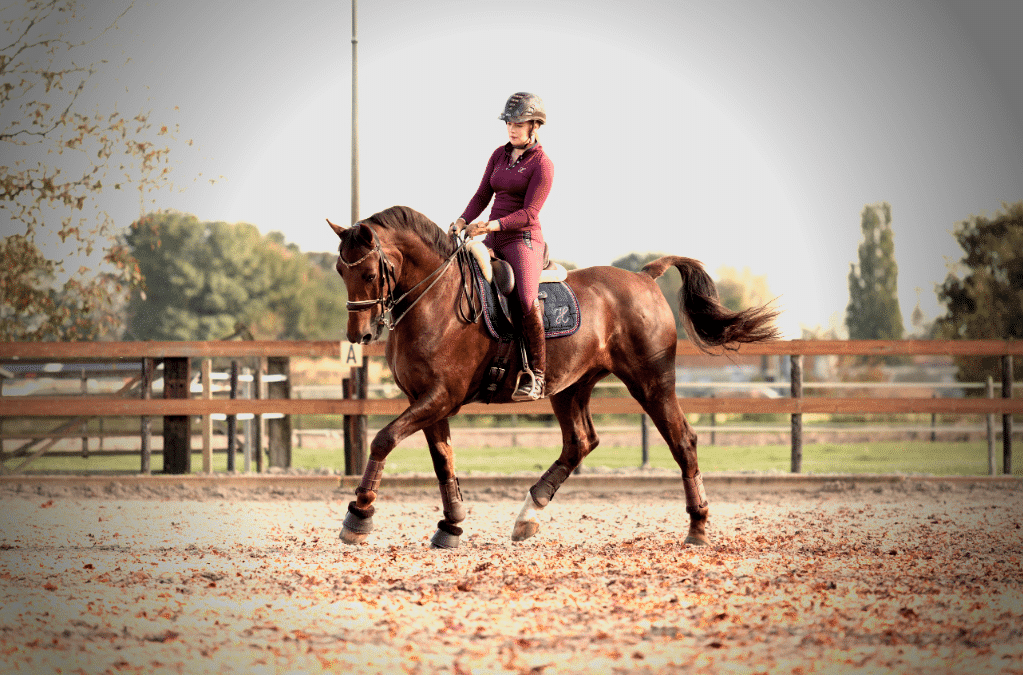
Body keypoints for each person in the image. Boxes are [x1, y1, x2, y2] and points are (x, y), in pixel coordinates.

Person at [451, 92, 554, 401]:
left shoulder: (543, 165)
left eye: (519, 123)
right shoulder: (499, 154)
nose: (512, 128)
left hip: (522, 240)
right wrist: (462, 219)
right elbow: (482, 195)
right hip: (491, 238)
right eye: (509, 122)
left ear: (534, 125)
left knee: (524, 298)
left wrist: (492, 225)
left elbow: (530, 214)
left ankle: (536, 374)